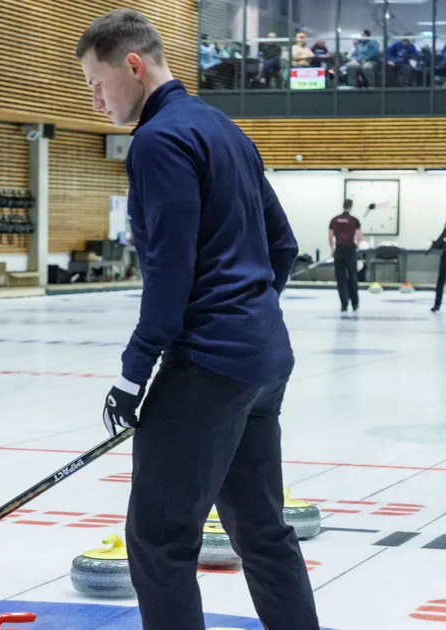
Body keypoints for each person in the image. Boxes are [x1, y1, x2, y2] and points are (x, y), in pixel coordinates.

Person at [75, 9, 318, 630]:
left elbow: (170, 273)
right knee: (262, 530)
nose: (95, 101)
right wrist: (251, 312)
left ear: (133, 65)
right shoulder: (226, 130)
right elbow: (283, 246)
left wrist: (132, 374)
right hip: (261, 361)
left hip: (208, 365)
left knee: (159, 540)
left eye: (97, 85)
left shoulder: (158, 142)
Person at [329, 199, 362, 312]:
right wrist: (356, 246)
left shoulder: (334, 220)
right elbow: (359, 236)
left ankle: (344, 304)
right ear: (351, 206)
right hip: (350, 250)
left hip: (339, 250)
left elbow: (330, 236)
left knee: (340, 278)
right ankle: (355, 304)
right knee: (353, 276)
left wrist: (332, 249)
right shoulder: (354, 220)